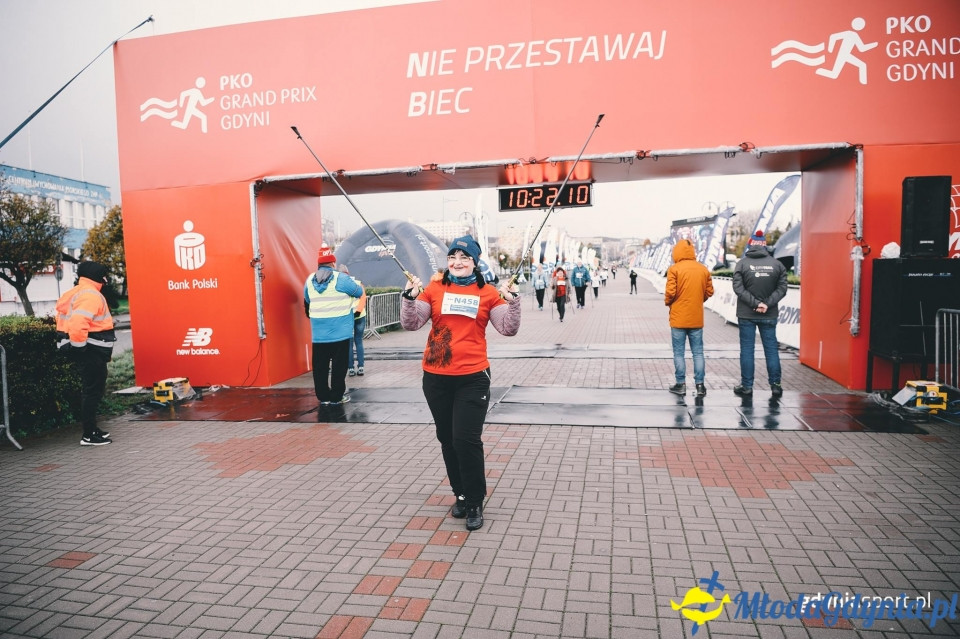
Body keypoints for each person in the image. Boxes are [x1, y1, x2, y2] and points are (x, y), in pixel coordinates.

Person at [400, 235, 521, 532]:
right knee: (447, 438)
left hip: (473, 378)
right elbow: (411, 323)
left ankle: (476, 501)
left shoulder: (489, 292)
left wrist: (513, 301)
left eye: (465, 258)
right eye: (453, 256)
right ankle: (461, 494)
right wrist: (409, 298)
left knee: (466, 440)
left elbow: (508, 328)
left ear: (474, 262)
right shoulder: (435, 288)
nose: (458, 262)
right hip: (436, 378)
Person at [55, 261, 118, 446]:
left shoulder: (78, 291)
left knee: (93, 390)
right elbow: (77, 323)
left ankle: (92, 429)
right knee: (92, 392)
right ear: (96, 276)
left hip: (90, 350)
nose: (106, 279)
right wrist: (80, 348)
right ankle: (89, 435)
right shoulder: (90, 295)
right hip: (91, 351)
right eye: (104, 274)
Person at [304, 245, 363, 405]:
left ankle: (323, 397)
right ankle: (337, 397)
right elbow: (358, 292)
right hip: (341, 333)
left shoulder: (309, 280)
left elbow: (307, 301)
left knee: (320, 368)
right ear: (332, 263)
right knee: (339, 367)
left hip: (319, 335)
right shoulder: (341, 279)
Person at [732, 231, 788, 398]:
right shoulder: (777, 265)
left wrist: (755, 304)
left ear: (751, 244)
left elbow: (738, 288)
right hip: (769, 314)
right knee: (771, 350)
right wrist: (766, 304)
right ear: (764, 245)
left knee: (747, 350)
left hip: (746, 314)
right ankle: (776, 385)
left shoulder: (742, 264)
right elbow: (782, 288)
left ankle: (747, 386)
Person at [664, 239, 714, 398]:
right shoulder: (703, 269)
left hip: (678, 318)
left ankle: (681, 384)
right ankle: (700, 386)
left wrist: (668, 302)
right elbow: (709, 291)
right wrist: (699, 300)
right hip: (696, 318)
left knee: (679, 352)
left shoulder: (674, 269)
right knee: (698, 352)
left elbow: (670, 293)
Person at [340, 265, 367, 377]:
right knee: (359, 341)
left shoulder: (339, 284)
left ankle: (350, 368)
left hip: (347, 317)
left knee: (349, 344)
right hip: (360, 316)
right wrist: (359, 311)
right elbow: (363, 297)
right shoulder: (357, 282)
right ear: (348, 272)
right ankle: (361, 367)